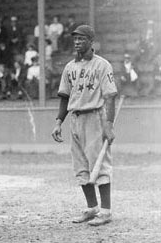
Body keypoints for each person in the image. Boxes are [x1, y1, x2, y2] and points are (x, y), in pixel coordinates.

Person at [51, 25, 118, 226]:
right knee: (81, 167)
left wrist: (108, 125)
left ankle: (105, 211)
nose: (77, 42)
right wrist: (58, 122)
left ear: (91, 41)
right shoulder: (70, 67)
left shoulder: (102, 65)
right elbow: (64, 97)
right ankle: (92, 208)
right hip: (75, 118)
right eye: (75, 39)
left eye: (81, 39)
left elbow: (110, 97)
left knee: (100, 165)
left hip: (94, 117)